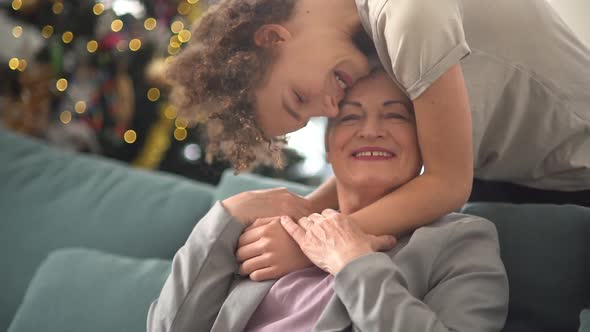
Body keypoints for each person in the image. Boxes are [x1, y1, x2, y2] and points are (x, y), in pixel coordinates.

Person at [168, 0, 590, 281]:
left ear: (274, 37)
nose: (332, 111)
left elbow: (445, 181)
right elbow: (409, 148)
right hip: (511, 166)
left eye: (299, 97)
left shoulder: (408, 15)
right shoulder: (357, 37)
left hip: (574, 159)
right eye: (311, 115)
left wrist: (315, 244)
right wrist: (304, 217)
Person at [147, 69, 509, 332]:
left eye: (395, 115)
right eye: (350, 116)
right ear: (327, 146)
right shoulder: (275, 233)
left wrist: (353, 264)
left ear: (425, 141)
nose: (370, 130)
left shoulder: (462, 241)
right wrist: (229, 213)